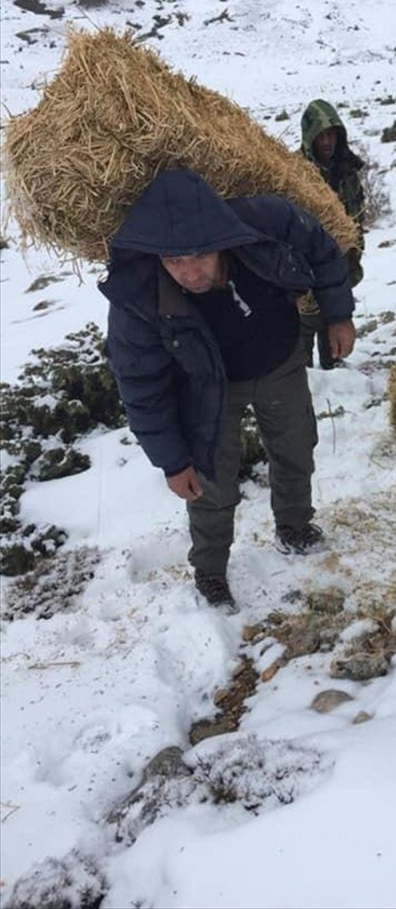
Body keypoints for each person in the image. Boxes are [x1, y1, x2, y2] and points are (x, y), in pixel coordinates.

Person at [99, 168, 356, 608]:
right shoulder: (139, 299)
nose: (189, 273)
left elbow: (323, 250)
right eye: (174, 261)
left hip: (279, 360)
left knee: (296, 448)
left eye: (199, 256)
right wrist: (173, 462)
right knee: (211, 483)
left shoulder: (266, 224)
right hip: (207, 390)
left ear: (221, 238)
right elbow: (142, 386)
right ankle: (211, 571)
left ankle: (294, 526)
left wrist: (337, 314)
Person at [299, 99, 366, 369]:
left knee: (334, 324)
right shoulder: (297, 173)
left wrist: (354, 255)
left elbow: (357, 216)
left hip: (340, 266)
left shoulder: (346, 170)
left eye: (331, 135)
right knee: (303, 330)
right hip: (305, 269)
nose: (327, 141)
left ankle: (336, 374)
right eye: (320, 135)